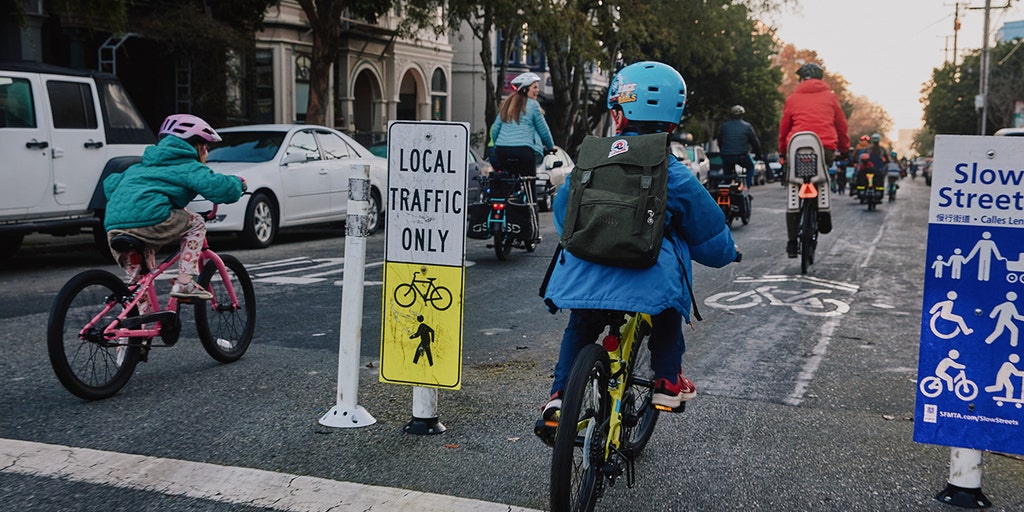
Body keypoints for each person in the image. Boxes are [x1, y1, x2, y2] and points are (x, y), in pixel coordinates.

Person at [537, 61, 738, 438]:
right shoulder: (672, 170)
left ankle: (560, 396)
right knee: (664, 314)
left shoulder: (590, 159)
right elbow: (707, 228)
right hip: (646, 279)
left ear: (618, 114)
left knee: (580, 327)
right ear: (673, 124)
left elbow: (565, 213)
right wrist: (728, 253)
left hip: (585, 274)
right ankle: (665, 383)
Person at [103, 114, 246, 304]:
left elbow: (110, 185)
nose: (206, 151)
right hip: (151, 219)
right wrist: (238, 184)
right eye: (206, 146)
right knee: (195, 223)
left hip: (115, 226)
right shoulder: (188, 166)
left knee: (139, 284)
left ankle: (133, 330)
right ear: (199, 145)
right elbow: (219, 187)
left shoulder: (138, 167)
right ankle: (185, 282)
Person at [777, 62, 849, 258]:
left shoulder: (792, 99)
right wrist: (844, 150)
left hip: (796, 149)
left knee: (794, 187)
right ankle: (823, 213)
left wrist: (783, 152)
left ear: (801, 79)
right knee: (822, 178)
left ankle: (792, 242)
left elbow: (784, 129)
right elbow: (842, 127)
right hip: (824, 149)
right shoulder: (831, 98)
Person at [490, 72, 555, 196]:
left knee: (506, 182)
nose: (537, 90)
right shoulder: (533, 105)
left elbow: (495, 129)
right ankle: (531, 211)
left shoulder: (507, 104)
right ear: (525, 89)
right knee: (529, 184)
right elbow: (543, 130)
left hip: (502, 151)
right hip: (523, 150)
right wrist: (551, 146)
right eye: (535, 87)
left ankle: (506, 204)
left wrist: (497, 144)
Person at [717, 105, 764, 190]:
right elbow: (755, 143)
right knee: (750, 167)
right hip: (741, 156)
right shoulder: (747, 126)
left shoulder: (724, 126)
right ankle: (746, 187)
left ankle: (726, 189)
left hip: (727, 157)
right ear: (742, 115)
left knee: (727, 177)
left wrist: (723, 153)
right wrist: (758, 155)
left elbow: (720, 141)